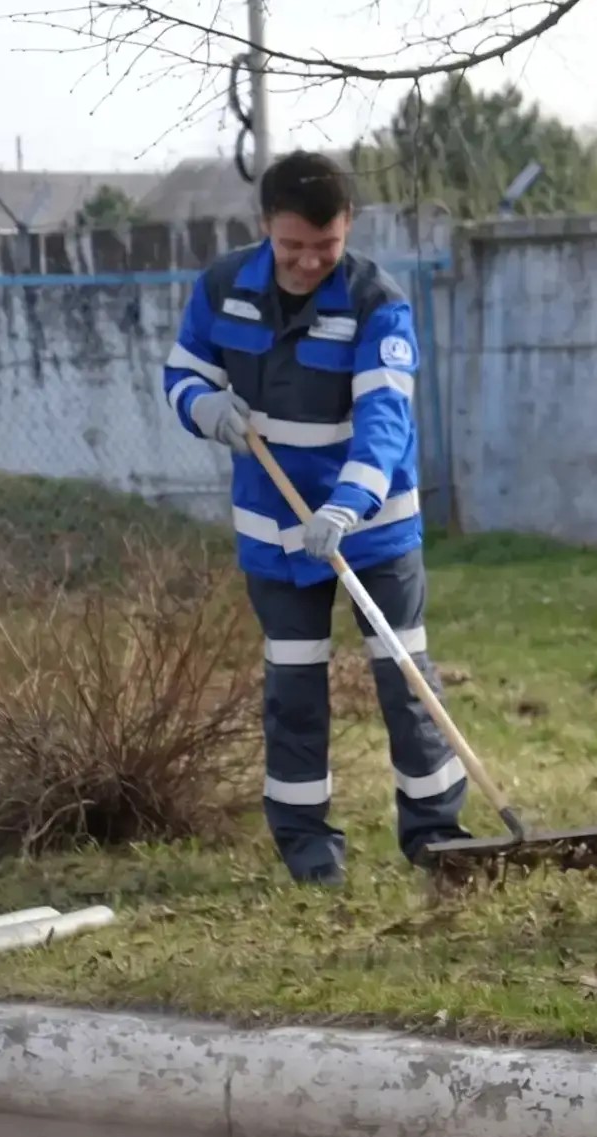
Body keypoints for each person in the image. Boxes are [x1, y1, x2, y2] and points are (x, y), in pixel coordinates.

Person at [161, 150, 469, 885]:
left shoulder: (376, 301)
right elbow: (184, 370)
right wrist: (200, 406)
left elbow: (385, 419)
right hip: (275, 532)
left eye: (324, 247)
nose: (307, 262)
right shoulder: (223, 287)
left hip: (374, 526)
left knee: (405, 675)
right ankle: (307, 845)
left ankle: (436, 832)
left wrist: (347, 503)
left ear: (348, 229)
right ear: (265, 225)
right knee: (293, 686)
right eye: (293, 245)